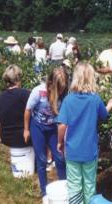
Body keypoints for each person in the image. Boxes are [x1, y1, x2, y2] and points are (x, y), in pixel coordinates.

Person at [57, 62, 112, 204]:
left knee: (74, 184)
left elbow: (62, 125)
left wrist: (60, 142)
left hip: (72, 151)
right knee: (89, 184)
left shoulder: (68, 99)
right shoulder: (95, 99)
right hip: (90, 151)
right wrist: (109, 105)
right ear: (92, 78)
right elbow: (103, 115)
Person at [24, 67, 67, 201]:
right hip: (37, 126)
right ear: (50, 85)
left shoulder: (64, 94)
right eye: (58, 89)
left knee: (60, 158)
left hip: (53, 128)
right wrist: (26, 129)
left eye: (62, 89)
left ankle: (65, 189)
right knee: (41, 159)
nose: (60, 92)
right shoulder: (38, 92)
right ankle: (44, 192)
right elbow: (28, 110)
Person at [0, 65, 32, 148]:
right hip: (24, 138)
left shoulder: (0, 97)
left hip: (6, 138)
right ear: (18, 78)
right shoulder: (26, 94)